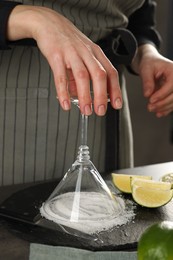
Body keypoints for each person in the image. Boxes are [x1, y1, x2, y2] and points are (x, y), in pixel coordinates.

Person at [0, 0, 173, 186]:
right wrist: (31, 18)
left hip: (106, 112)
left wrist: (145, 51)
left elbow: (138, 11)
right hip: (17, 110)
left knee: (105, 207)